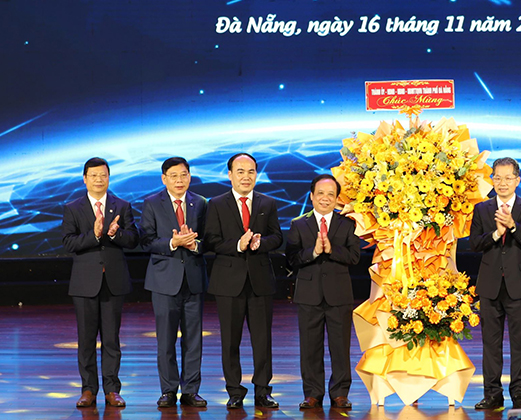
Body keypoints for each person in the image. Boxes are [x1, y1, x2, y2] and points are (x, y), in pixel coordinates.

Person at [203, 152, 283, 409]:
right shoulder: (216, 203)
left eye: (250, 172)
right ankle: (235, 391)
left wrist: (261, 244)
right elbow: (211, 241)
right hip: (228, 282)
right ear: (229, 175)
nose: (246, 177)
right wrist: (238, 245)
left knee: (262, 340)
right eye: (240, 171)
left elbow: (277, 237)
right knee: (230, 340)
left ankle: (263, 390)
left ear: (256, 175)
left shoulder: (267, 203)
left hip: (260, 281)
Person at [61, 157, 139, 408]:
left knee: (111, 339)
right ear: (84, 178)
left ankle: (112, 389)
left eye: (103, 175)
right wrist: (94, 235)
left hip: (113, 281)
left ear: (109, 177)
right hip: (85, 282)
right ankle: (88, 389)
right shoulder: (73, 207)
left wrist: (115, 234)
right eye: (93, 175)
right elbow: (69, 243)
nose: (98, 180)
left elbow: (133, 240)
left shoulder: (122, 205)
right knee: (85, 339)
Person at [468, 157, 521, 410]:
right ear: (492, 180)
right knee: (490, 342)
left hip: (519, 285)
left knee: (520, 342)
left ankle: (519, 393)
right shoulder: (482, 209)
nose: (502, 183)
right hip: (489, 285)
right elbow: (474, 244)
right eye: (497, 177)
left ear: (517, 180)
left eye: (508, 178)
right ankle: (492, 394)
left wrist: (512, 227)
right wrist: (496, 233)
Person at [286, 174, 361, 410]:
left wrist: (331, 249)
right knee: (310, 347)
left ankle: (340, 393)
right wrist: (314, 252)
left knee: (340, 347)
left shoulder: (348, 224)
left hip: (339, 295)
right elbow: (291, 260)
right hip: (309, 295)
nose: (325, 199)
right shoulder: (299, 224)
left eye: (331, 194)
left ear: (337, 199)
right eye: (321, 193)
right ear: (311, 197)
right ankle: (312, 394)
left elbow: (354, 257)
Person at [141, 157, 209, 408]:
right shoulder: (151, 203)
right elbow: (146, 241)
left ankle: (191, 390)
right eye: (174, 176)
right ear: (164, 179)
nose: (179, 180)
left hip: (193, 280)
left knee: (193, 340)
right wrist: (172, 243)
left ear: (189, 177)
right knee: (166, 340)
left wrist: (194, 245)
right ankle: (168, 390)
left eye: (183, 175)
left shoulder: (201, 203)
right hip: (163, 281)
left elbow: (208, 241)